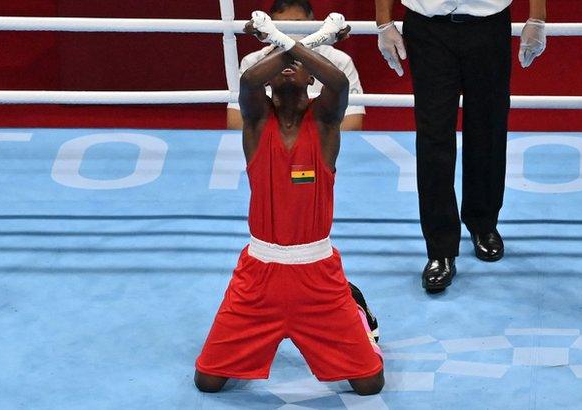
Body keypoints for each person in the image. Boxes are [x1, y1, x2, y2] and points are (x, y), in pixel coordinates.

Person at [195, 11, 384, 395]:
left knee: (369, 384)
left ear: (310, 80)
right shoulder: (257, 123)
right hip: (259, 274)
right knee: (208, 381)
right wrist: (306, 41)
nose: (289, 67)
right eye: (282, 62)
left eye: (299, 66)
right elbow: (249, 79)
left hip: (317, 272)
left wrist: (281, 39)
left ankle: (357, 313)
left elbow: (338, 81)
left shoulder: (326, 124)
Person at [374, 0, 547, 292]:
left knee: (488, 126)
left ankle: (483, 223)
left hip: (488, 24)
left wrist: (537, 19)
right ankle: (439, 250)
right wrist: (383, 23)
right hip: (427, 27)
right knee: (433, 135)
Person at [227, 0, 366, 131]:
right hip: (269, 141)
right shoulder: (253, 61)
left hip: (320, 144)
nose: (290, 33)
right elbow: (235, 122)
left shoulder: (339, 60)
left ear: (312, 24)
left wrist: (309, 139)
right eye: (282, 27)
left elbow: (352, 122)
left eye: (297, 24)